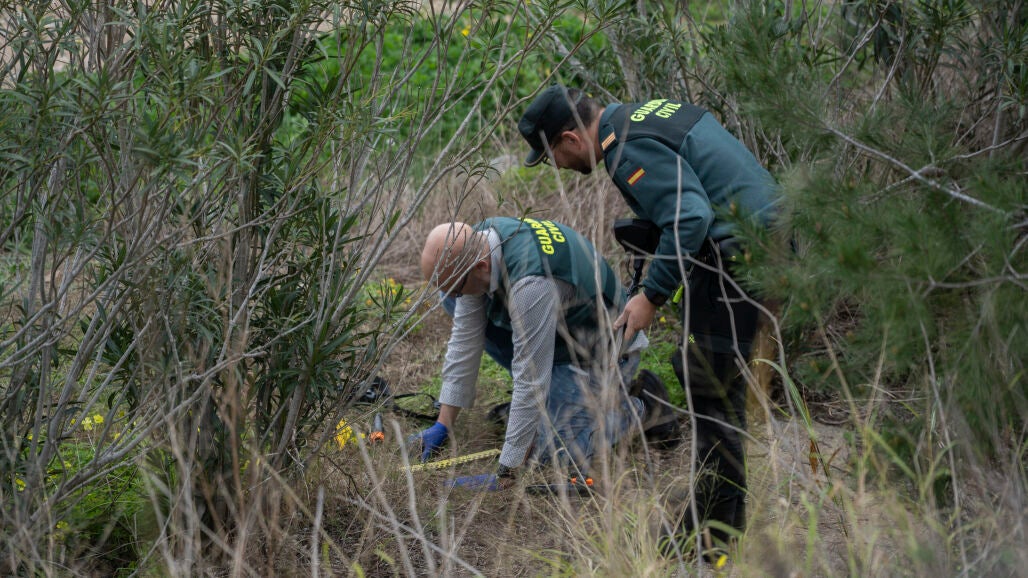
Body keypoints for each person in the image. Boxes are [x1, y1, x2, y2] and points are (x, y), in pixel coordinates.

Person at [518, 85, 780, 550]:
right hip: (763, 243)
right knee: (713, 384)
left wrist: (651, 296)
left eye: (552, 156)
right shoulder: (643, 117)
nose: (558, 166)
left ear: (570, 138)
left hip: (739, 256)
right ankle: (717, 513)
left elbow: (690, 217)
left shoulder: (626, 148)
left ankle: (713, 537)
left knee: (712, 390)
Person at [410, 217, 676, 490]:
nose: (454, 294)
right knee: (453, 300)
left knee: (552, 451)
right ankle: (547, 408)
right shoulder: (479, 241)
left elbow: (530, 379)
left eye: (455, 288)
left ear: (481, 267)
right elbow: (465, 339)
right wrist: (443, 424)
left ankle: (643, 409)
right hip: (557, 334)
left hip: (599, 354)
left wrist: (507, 472)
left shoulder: (531, 284)